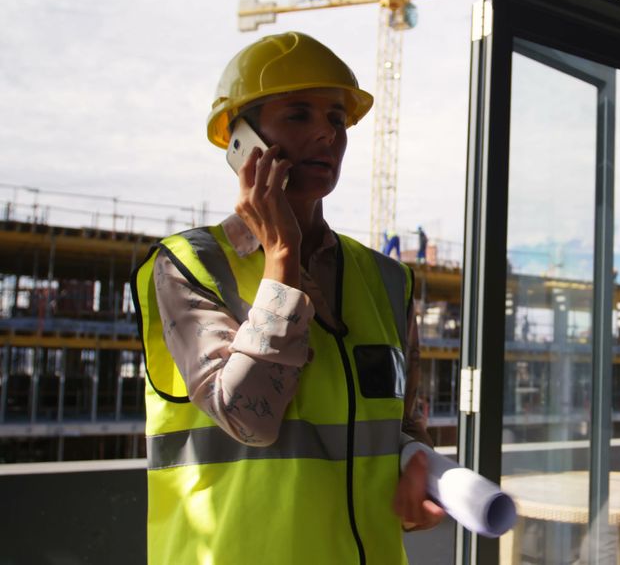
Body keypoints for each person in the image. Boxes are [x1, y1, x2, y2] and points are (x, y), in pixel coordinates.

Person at [131, 32, 442, 565]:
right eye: (299, 114)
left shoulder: (387, 279)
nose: (328, 133)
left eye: (338, 119)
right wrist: (281, 260)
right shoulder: (188, 265)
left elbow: (402, 427)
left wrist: (417, 467)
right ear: (242, 141)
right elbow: (247, 418)